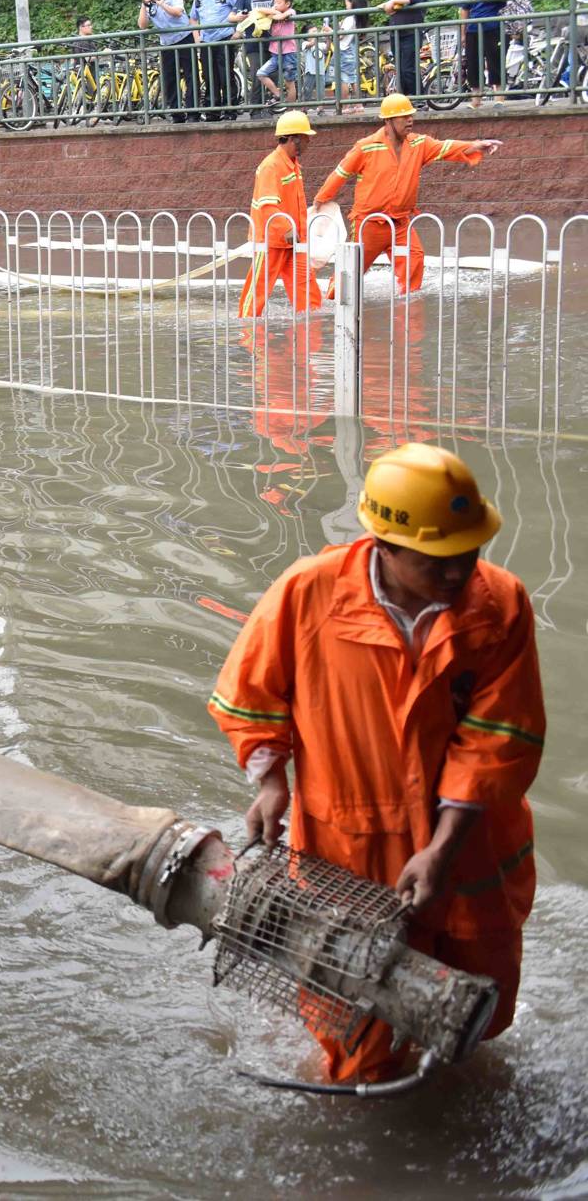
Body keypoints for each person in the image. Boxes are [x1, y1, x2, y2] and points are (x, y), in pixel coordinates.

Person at [210, 442, 543, 1085]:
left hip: (470, 842)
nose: (460, 572)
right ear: (382, 546)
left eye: (469, 552)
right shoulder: (309, 594)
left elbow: (499, 738)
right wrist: (272, 783)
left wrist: (443, 849)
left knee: (477, 1007)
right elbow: (250, 697)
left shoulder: (499, 604)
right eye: (437, 559)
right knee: (355, 1033)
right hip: (349, 847)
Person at [313, 93, 499, 295]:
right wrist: (321, 199)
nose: (410, 120)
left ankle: (407, 310)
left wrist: (476, 145)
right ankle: (332, 302)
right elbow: (341, 173)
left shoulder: (418, 144)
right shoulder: (366, 146)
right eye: (404, 116)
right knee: (349, 272)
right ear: (388, 121)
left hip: (400, 223)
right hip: (369, 223)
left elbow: (445, 147)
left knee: (414, 259)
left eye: (411, 115)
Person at [237, 109, 323, 318]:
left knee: (307, 289)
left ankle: (311, 327)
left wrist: (297, 234)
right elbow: (268, 207)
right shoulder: (271, 166)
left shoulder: (292, 165)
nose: (308, 143)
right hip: (271, 242)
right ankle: (247, 328)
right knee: (258, 291)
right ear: (294, 139)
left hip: (293, 242)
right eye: (305, 138)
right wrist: (287, 231)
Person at [459, 0, 516, 107]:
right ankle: (476, 99)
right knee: (473, 64)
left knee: (496, 62)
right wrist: (463, 33)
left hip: (495, 26)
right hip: (473, 29)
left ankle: (499, 98)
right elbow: (464, 9)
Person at [140, 0, 196, 121]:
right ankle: (176, 113)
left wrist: (161, 3)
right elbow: (142, 25)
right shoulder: (148, 3)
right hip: (166, 43)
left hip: (184, 38)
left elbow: (177, 12)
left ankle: (193, 112)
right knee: (169, 78)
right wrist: (144, 5)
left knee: (191, 75)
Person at [191, 0, 241, 119]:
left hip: (225, 38)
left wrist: (238, 32)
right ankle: (212, 111)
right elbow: (193, 18)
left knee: (225, 75)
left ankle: (230, 110)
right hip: (207, 41)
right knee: (209, 76)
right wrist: (197, 37)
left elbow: (241, 10)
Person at [232, 0, 280, 117]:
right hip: (253, 43)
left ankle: (269, 107)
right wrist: (241, 17)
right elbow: (231, 16)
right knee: (258, 74)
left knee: (273, 75)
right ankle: (256, 109)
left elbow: (283, 9)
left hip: (273, 41)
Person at [385, 0, 432, 97]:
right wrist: (389, 5)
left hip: (411, 28)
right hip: (396, 29)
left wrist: (396, 1)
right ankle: (405, 98)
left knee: (408, 67)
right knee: (399, 68)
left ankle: (417, 98)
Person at [255, 0, 299, 104]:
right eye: (275, 2)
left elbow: (281, 17)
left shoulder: (291, 11)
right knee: (261, 73)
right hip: (275, 53)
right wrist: (274, 11)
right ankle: (278, 94)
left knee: (289, 83)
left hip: (288, 53)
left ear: (287, 4)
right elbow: (258, 10)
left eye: (279, 3)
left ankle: (290, 111)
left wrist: (272, 14)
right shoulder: (274, 10)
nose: (276, 5)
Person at [336, 0, 370, 112]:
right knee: (354, 78)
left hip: (345, 51)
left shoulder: (350, 18)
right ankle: (358, 105)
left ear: (353, 3)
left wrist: (331, 30)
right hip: (352, 50)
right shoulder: (357, 19)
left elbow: (340, 36)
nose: (346, 6)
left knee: (344, 79)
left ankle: (345, 106)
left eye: (347, 3)